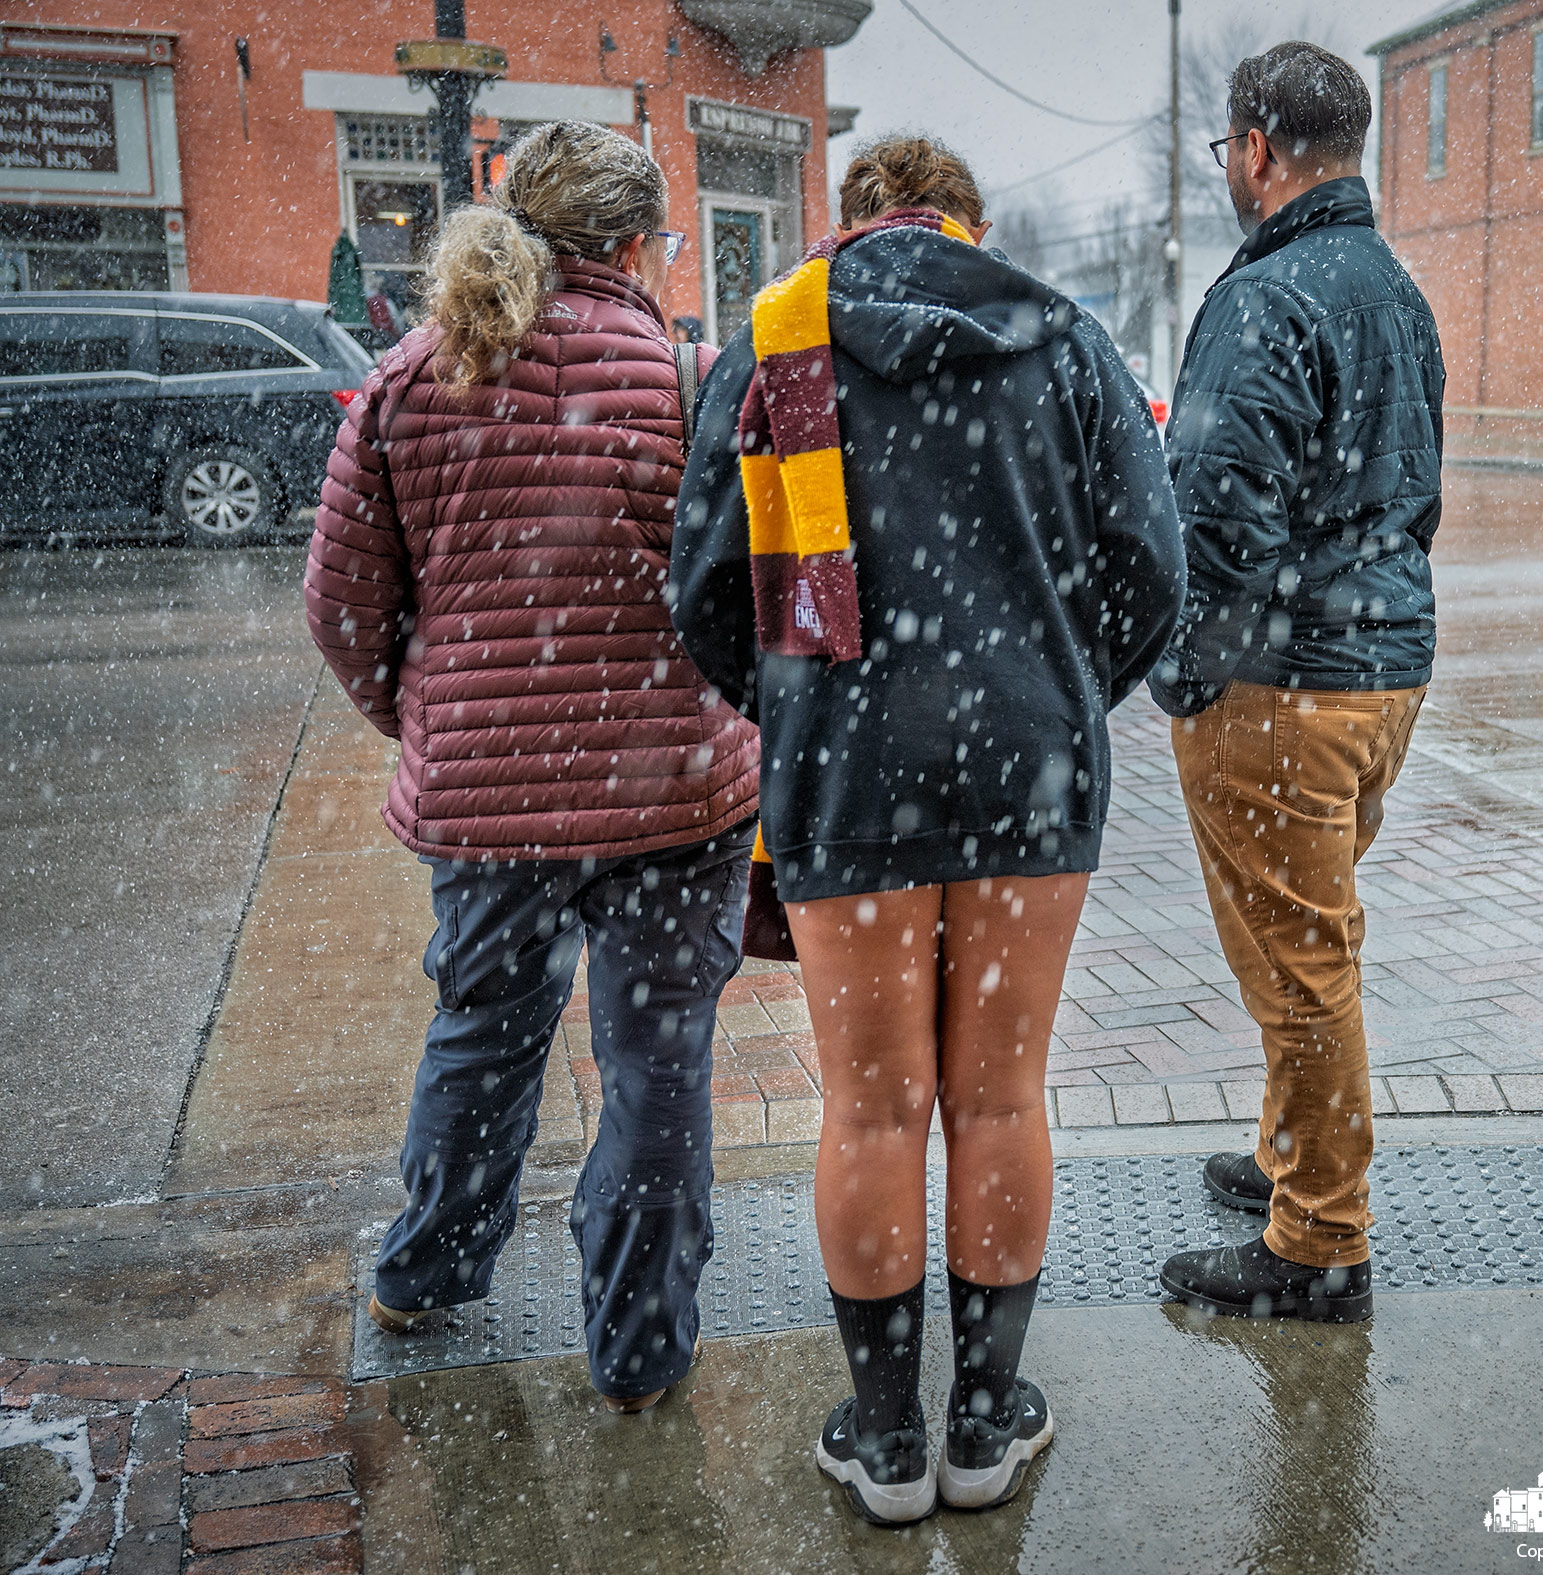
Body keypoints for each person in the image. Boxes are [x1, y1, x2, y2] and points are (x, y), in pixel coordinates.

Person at [671, 136, 1182, 1524]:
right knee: (1002, 1095)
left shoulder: (775, 342)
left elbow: (708, 584)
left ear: (855, 220)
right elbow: (1154, 568)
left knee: (873, 1100)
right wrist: (1063, 687)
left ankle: (887, 1435)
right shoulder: (1066, 340)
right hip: (1030, 754)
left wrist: (791, 695)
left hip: (848, 748)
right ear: (972, 222)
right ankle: (983, 1418)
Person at [304, 121, 758, 1411]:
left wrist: (437, 719)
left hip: (487, 811)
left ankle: (428, 1274)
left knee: (483, 1032)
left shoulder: (410, 378)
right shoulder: (691, 379)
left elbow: (341, 605)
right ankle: (640, 1349)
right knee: (657, 1063)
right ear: (630, 246)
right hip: (674, 800)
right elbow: (751, 598)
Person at [1150, 44, 1445, 1324]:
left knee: (1300, 964)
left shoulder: (1265, 297)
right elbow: (1417, 491)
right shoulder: (1393, 288)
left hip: (1284, 690)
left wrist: (1181, 675)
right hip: (1383, 675)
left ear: (1258, 152)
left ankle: (1321, 1237)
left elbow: (1215, 521)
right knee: (1309, 942)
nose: (1231, 172)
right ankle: (1290, 1163)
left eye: (1229, 151)